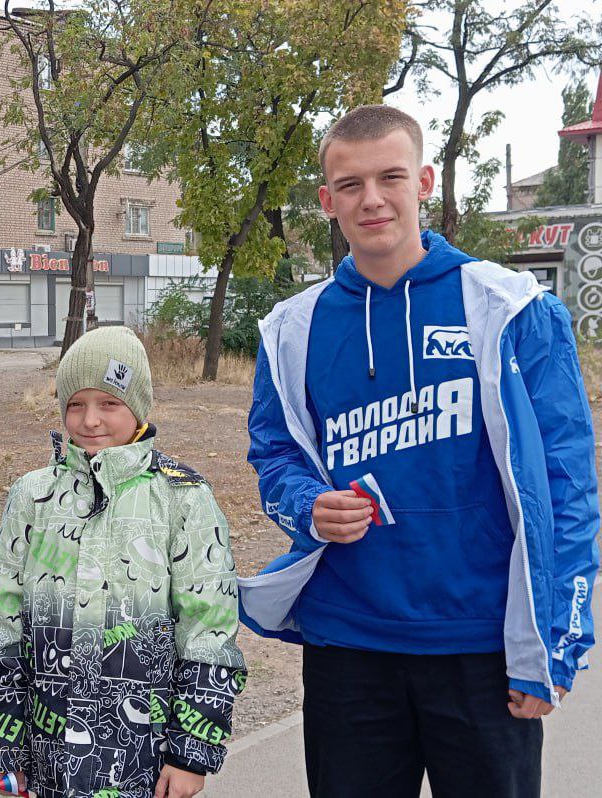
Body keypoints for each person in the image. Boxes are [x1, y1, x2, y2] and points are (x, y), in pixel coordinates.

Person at [241, 104, 599, 798]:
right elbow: (274, 456)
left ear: (424, 181)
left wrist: (556, 644)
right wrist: (307, 506)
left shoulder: (514, 309)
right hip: (348, 646)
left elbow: (567, 490)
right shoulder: (292, 329)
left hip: (483, 649)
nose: (371, 199)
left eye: (390, 177)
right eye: (350, 185)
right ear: (327, 201)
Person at [0, 326, 247, 798]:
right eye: (76, 404)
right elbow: (3, 627)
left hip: (146, 754)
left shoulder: (182, 497)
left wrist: (191, 754)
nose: (90, 421)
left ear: (138, 408)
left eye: (109, 404)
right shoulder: (32, 495)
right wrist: (5, 747)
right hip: (47, 756)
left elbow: (209, 629)